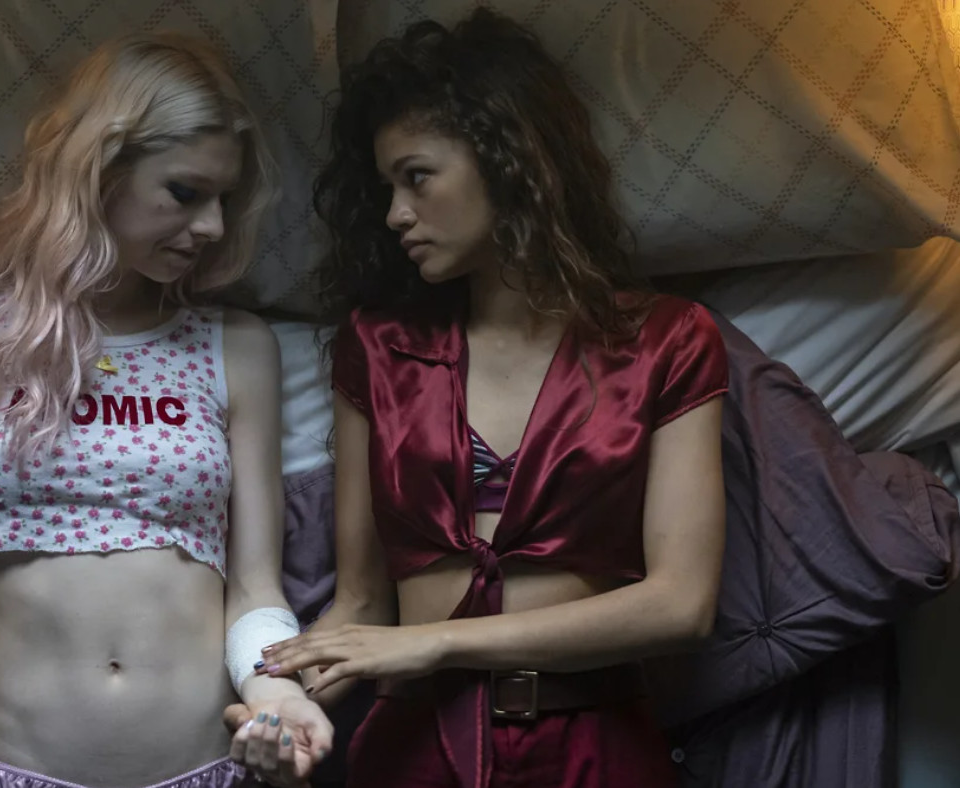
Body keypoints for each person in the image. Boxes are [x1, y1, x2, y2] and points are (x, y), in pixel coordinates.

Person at [231, 8, 728, 787]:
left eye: (416, 177)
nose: (395, 214)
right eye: (386, 188)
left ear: (508, 158)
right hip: (414, 754)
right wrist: (283, 705)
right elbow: (361, 603)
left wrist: (436, 642)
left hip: (595, 751)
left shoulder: (669, 339)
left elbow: (681, 605)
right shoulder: (379, 347)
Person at [0, 32, 333, 788]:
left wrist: (276, 693)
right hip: (18, 770)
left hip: (206, 768)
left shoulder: (236, 347)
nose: (213, 227)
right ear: (101, 171)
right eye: (185, 193)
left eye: (224, 200)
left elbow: (254, 589)